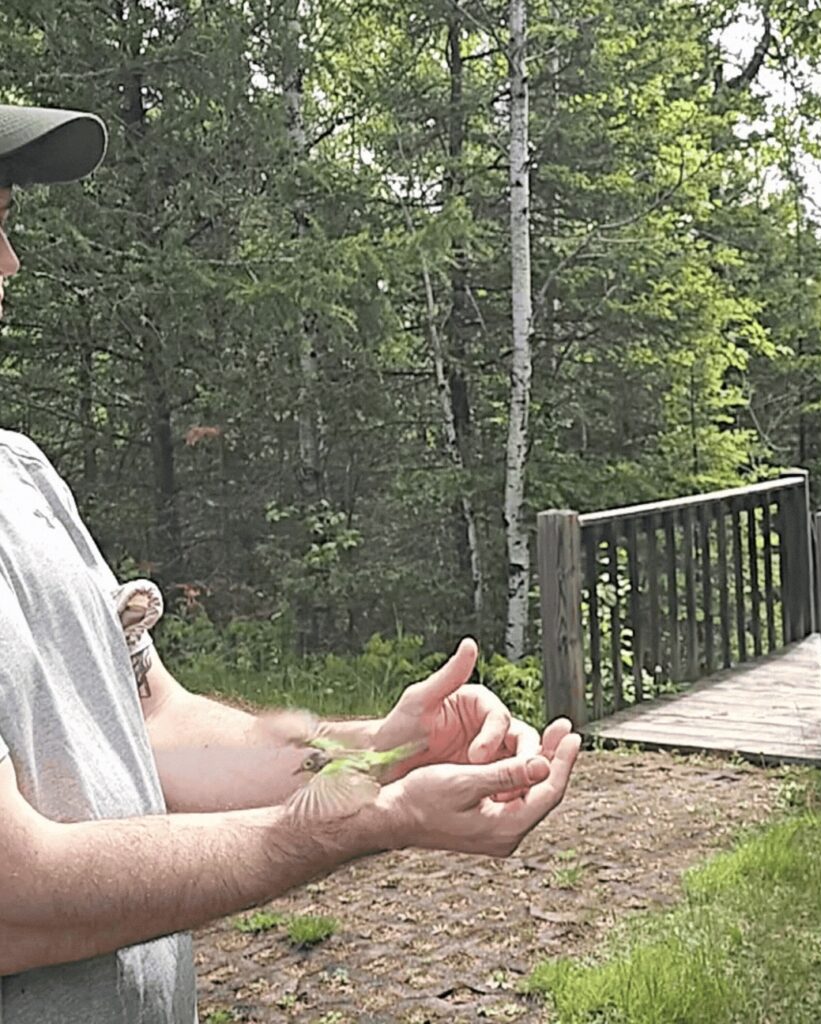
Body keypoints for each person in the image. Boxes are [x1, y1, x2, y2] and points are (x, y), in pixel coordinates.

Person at [0, 102, 581, 1023]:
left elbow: (155, 724)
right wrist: (342, 829)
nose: (10, 262)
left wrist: (380, 754)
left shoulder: (20, 475)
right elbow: (11, 900)